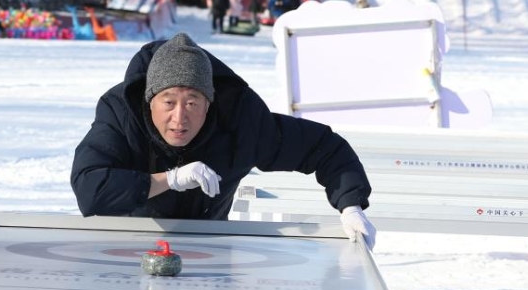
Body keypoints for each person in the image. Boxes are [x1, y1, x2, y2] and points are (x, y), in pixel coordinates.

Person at [70, 33, 376, 249]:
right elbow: (89, 188)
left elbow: (325, 148)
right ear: (149, 101)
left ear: (210, 103)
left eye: (192, 103)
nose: (179, 118)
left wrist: (351, 206)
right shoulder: (121, 114)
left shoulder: (241, 120)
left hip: (211, 246)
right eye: (168, 102)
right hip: (125, 244)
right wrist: (170, 179)